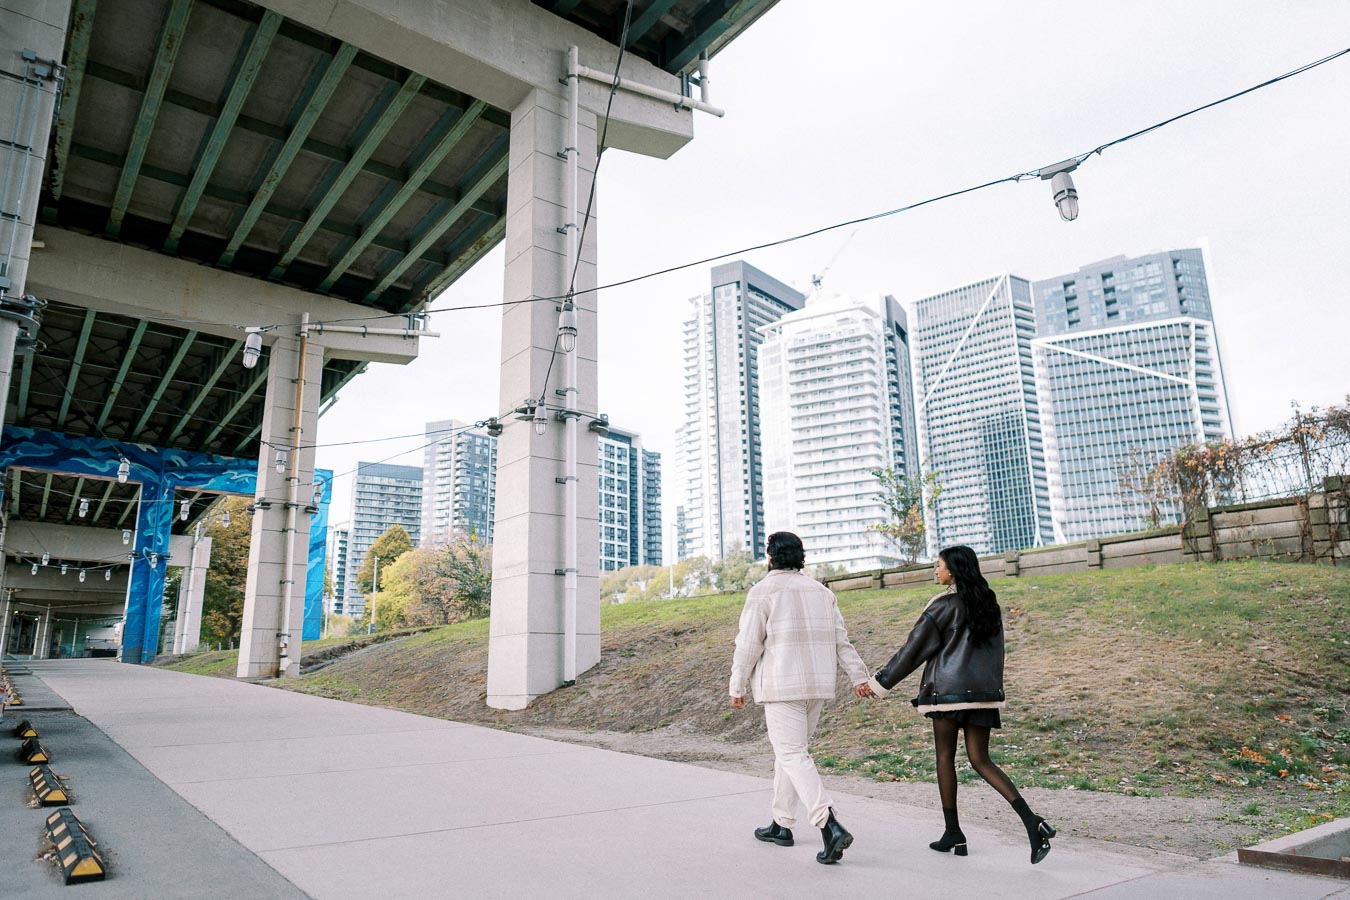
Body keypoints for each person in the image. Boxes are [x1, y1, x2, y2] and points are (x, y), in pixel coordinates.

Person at [865, 545, 1056, 864]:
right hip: (982, 695)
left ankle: (953, 832)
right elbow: (995, 654)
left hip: (948, 695)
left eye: (938, 566)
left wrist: (880, 682)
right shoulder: (987, 603)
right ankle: (1031, 821)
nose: (935, 571)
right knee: (981, 760)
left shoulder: (944, 606)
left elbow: (913, 650)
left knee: (944, 758)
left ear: (953, 570)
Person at [729, 531, 875, 865]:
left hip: (782, 687)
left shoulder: (763, 591)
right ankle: (782, 824)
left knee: (792, 754)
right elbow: (842, 641)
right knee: (792, 754)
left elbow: (748, 643)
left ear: (770, 557)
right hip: (817, 686)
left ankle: (829, 823)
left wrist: (737, 683)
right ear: (801, 557)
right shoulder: (821, 592)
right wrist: (858, 676)